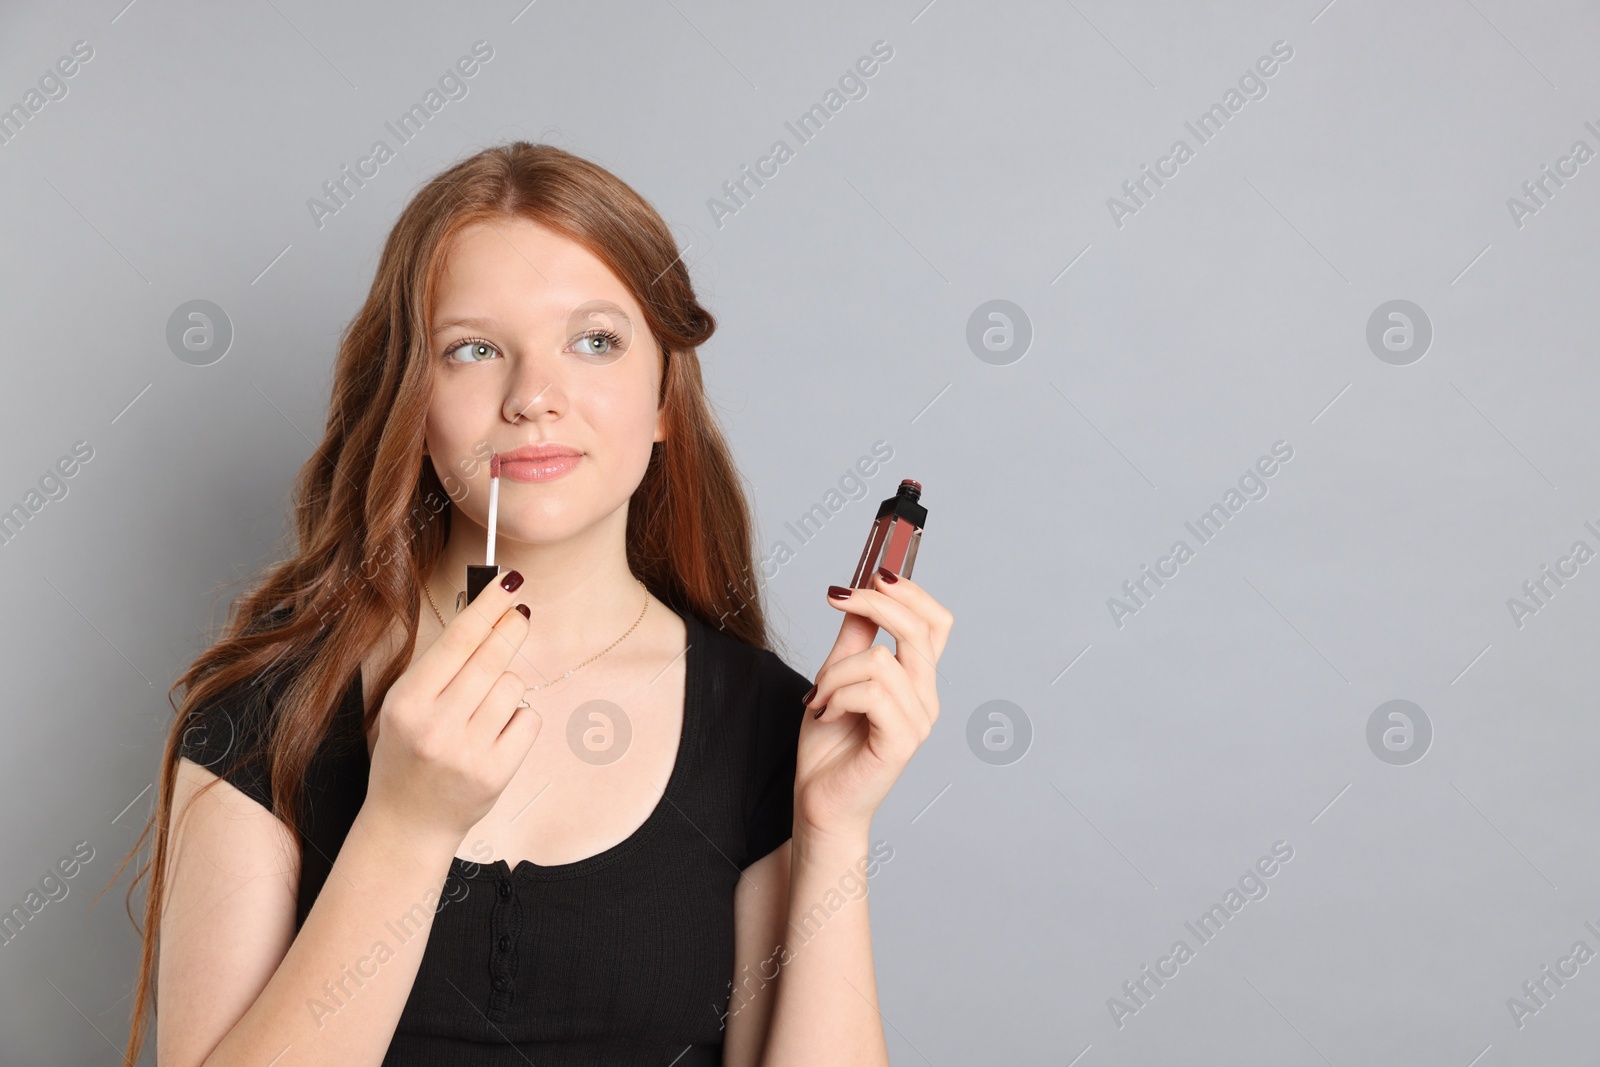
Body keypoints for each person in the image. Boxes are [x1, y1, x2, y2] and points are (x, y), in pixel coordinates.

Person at [111, 141, 954, 1065]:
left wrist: (832, 833)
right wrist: (406, 822)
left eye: (594, 340)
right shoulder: (269, 711)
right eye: (474, 349)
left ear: (667, 393)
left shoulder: (765, 726)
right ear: (411, 396)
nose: (534, 399)